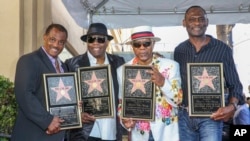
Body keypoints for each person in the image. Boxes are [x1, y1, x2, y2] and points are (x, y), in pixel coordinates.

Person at [174, 5, 244, 141]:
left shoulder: (222, 49)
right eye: (192, 19)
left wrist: (232, 106)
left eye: (201, 19)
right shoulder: (179, 51)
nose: (197, 23)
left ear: (207, 22)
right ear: (184, 23)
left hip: (211, 116)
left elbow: (235, 84)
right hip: (184, 116)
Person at [117, 25, 183, 141]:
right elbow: (122, 102)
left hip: (166, 132)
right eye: (137, 44)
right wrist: (124, 120)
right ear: (132, 47)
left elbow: (178, 100)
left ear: (153, 44)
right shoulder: (122, 71)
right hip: (139, 133)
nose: (142, 48)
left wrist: (162, 82)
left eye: (146, 43)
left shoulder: (171, 66)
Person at [65, 23, 125, 141]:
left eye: (101, 39)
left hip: (111, 131)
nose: (96, 43)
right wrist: (76, 114)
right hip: (84, 133)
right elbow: (64, 98)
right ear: (87, 41)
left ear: (107, 42)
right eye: (91, 39)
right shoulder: (72, 64)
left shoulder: (118, 62)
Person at [11, 23, 68, 141]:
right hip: (33, 134)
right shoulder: (29, 60)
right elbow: (24, 94)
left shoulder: (64, 67)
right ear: (45, 37)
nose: (56, 45)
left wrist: (75, 108)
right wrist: (47, 120)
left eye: (61, 42)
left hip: (58, 135)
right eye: (52, 39)